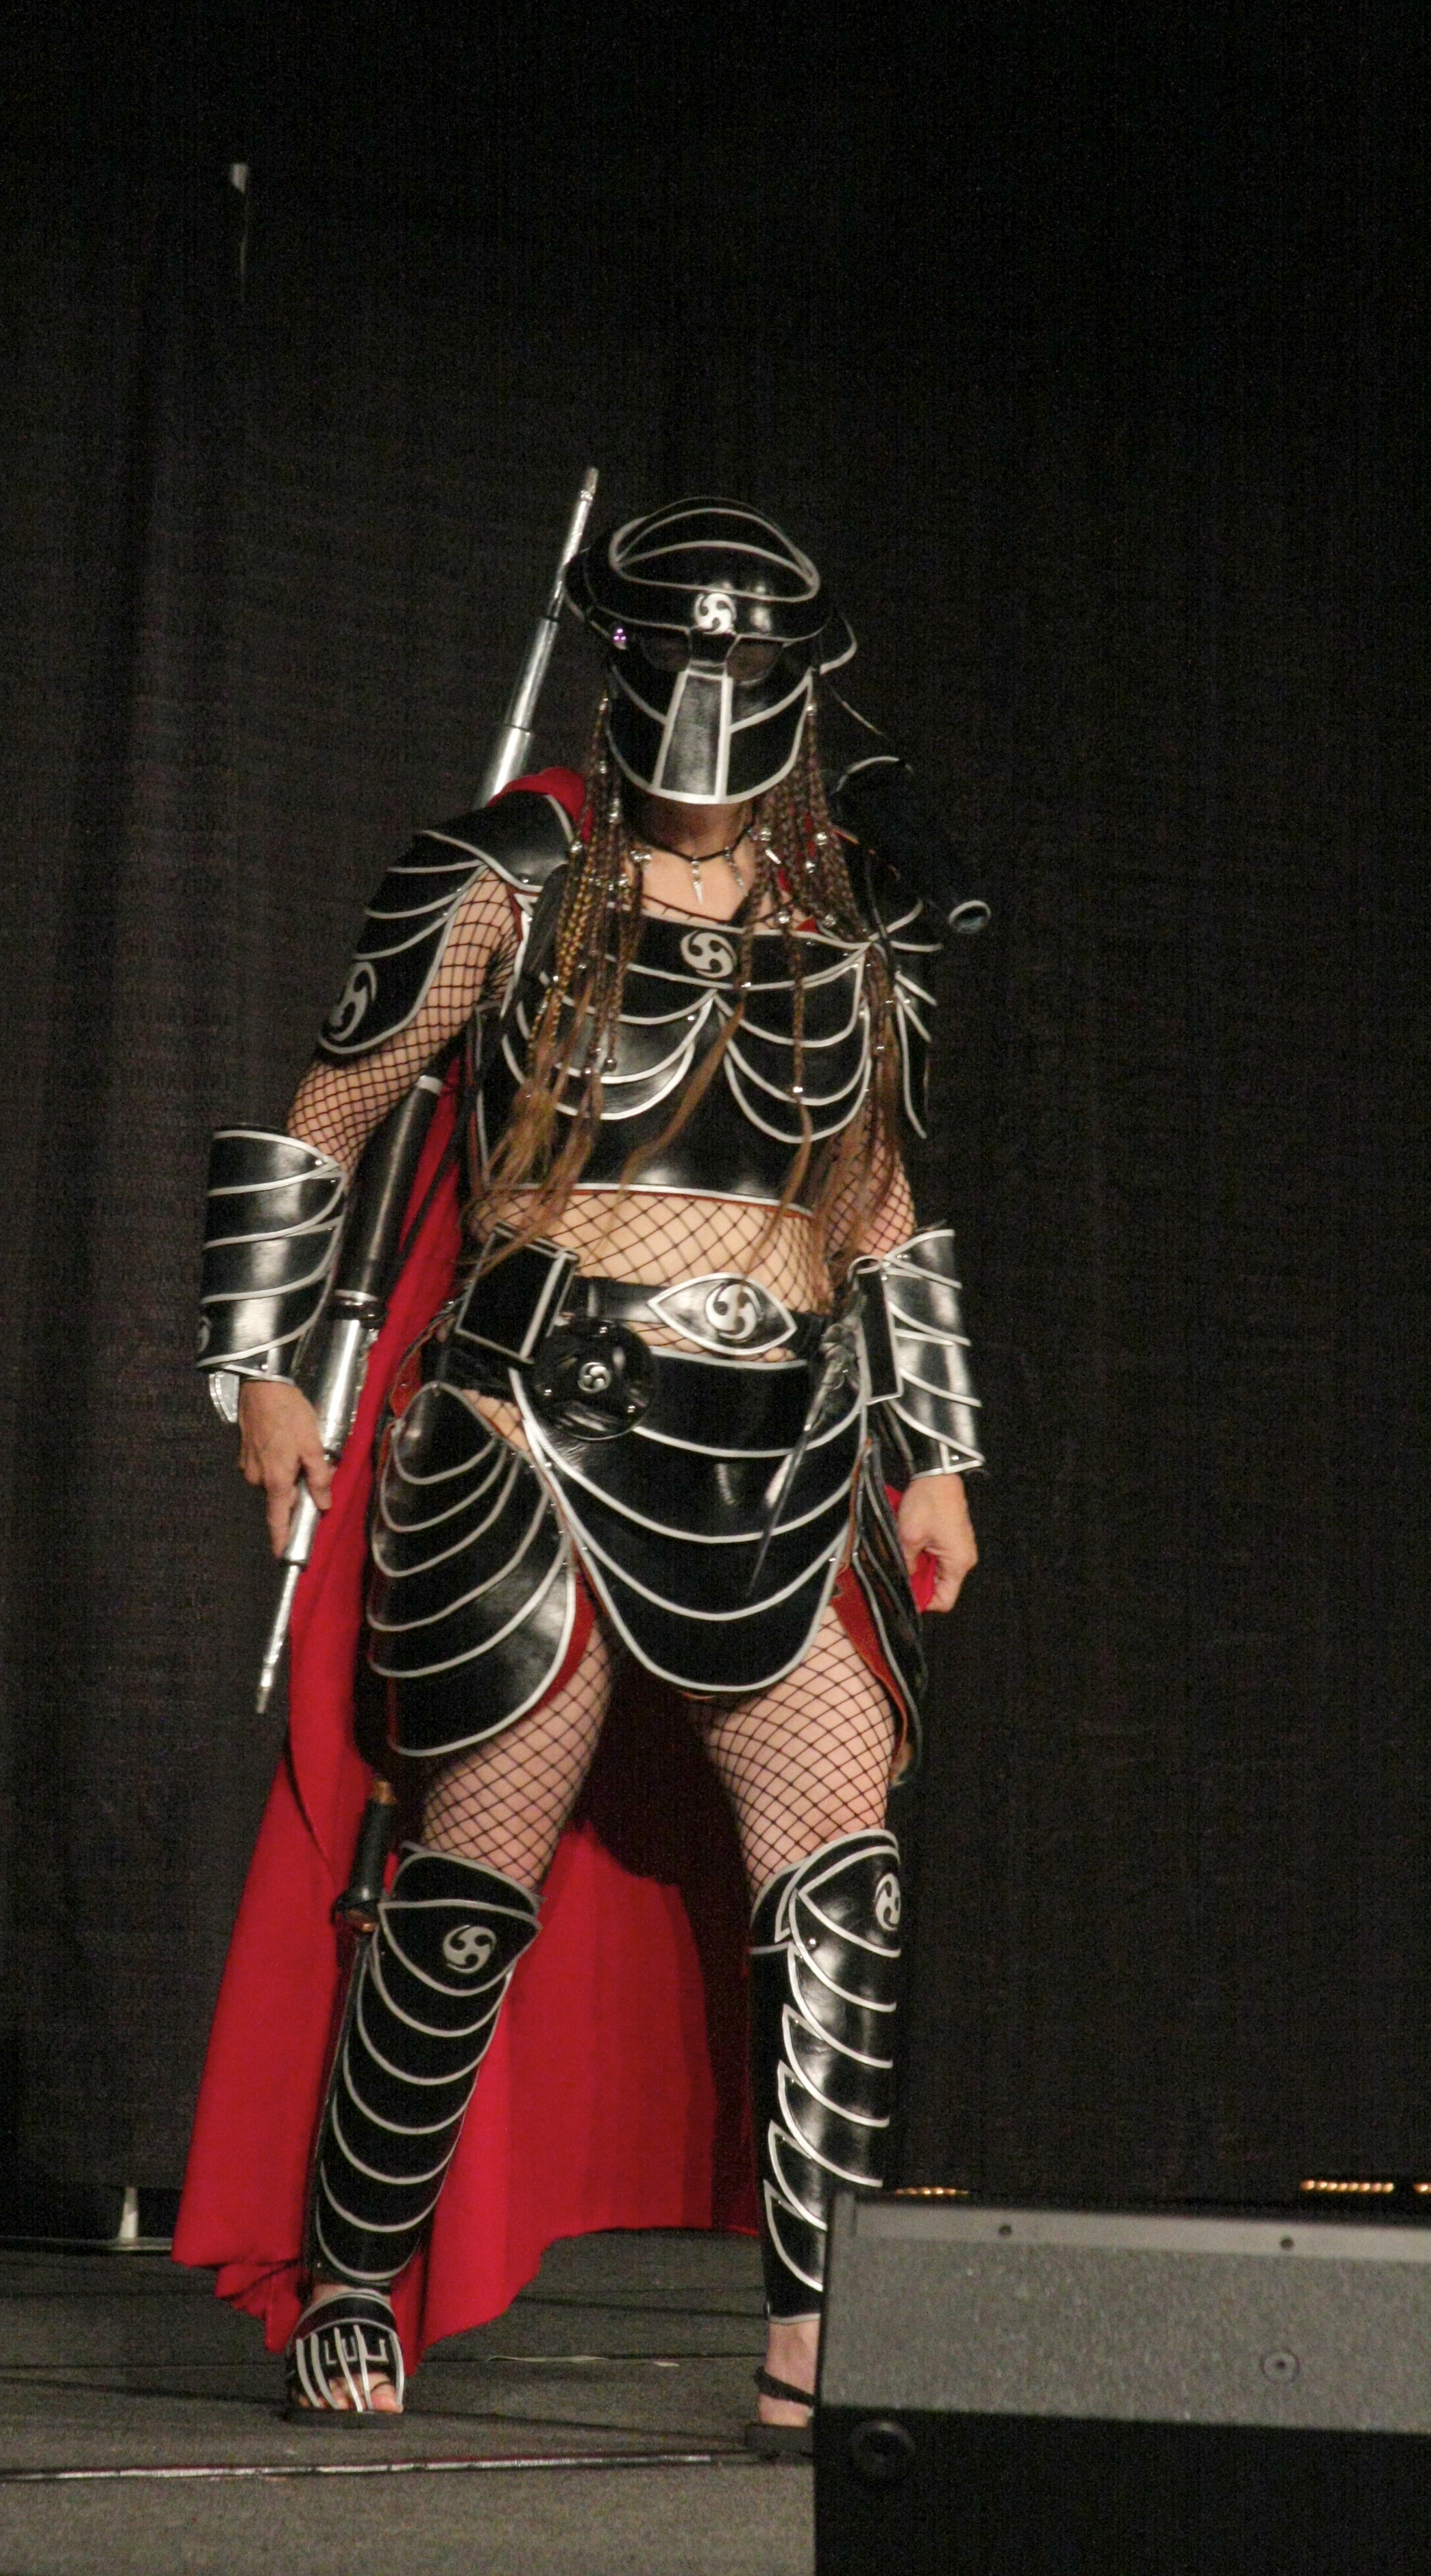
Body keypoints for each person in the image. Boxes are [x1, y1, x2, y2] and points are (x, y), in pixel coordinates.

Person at [180, 498, 982, 2451]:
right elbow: (335, 1109)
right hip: (539, 1427)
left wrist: (943, 1453)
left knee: (845, 1880)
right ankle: (354, 2274)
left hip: (783, 1442)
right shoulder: (508, 875)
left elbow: (875, 1193)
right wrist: (259, 1375)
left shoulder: (846, 911)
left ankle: (816, 2335)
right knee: (468, 1877)